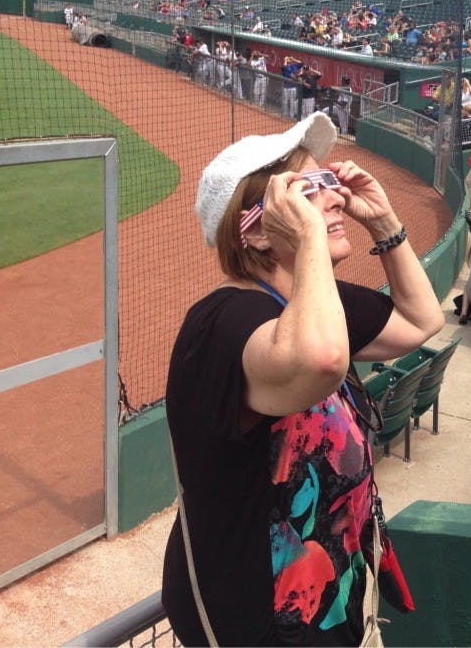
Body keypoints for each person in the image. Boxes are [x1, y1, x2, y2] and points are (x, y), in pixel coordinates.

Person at [162, 112, 444, 645]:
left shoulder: (321, 308)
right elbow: (319, 361)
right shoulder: (220, 325)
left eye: (330, 182)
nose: (335, 198)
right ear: (261, 231)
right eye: (310, 190)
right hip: (259, 629)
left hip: (336, 614)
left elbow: (421, 321)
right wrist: (314, 236)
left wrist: (383, 223)